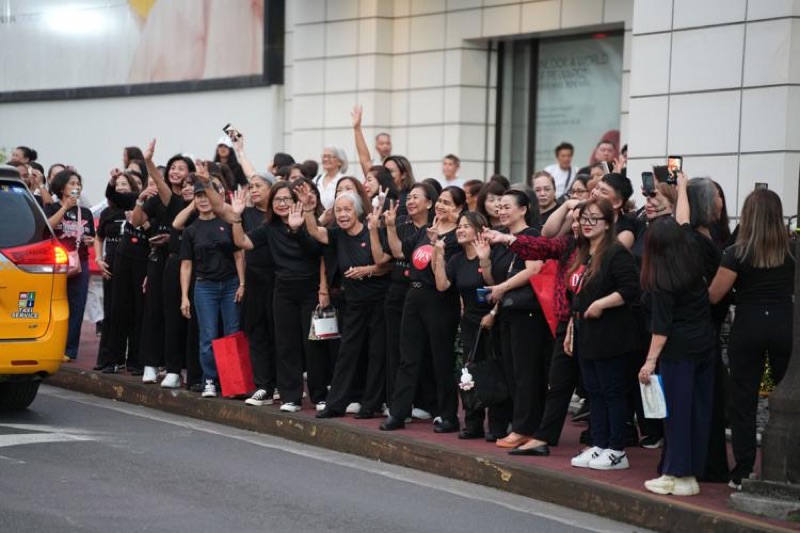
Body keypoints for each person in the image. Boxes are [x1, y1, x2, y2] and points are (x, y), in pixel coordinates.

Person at [709, 189, 795, 490]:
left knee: (743, 400)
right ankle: (789, 467)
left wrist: (739, 293)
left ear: (747, 216)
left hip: (749, 324)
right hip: (785, 323)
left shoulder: (738, 253)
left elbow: (715, 295)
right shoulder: (791, 251)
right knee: (788, 400)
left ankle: (743, 469)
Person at [231, 181, 327, 413]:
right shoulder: (269, 228)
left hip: (309, 290)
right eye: (277, 200)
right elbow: (242, 242)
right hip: (282, 290)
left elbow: (315, 252)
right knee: (286, 344)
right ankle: (291, 397)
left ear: (296, 202)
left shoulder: (309, 224)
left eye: (287, 199)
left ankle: (320, 396)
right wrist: (236, 217)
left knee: (313, 345)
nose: (282, 204)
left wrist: (296, 230)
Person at [639, 216, 716, 496]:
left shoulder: (660, 281)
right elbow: (684, 223)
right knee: (697, 411)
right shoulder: (693, 264)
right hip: (704, 344)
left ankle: (678, 474)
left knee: (675, 414)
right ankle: (685, 473)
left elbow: (661, 329)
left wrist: (649, 362)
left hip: (677, 351)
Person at [380, 187, 467, 432]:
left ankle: (448, 415)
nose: (441, 206)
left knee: (441, 360)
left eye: (448, 203)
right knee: (408, 358)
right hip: (414, 296)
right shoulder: (427, 230)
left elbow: (449, 275)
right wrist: (389, 225)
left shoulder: (457, 238)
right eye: (440, 201)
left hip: (440, 300)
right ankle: (398, 413)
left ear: (459, 209)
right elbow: (400, 252)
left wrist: (437, 246)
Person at [298, 189, 390, 419]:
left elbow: (388, 264)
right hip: (354, 303)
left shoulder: (372, 231)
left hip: (379, 300)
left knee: (377, 354)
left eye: (347, 209)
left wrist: (367, 270)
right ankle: (336, 404)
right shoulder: (338, 235)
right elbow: (314, 232)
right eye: (338, 210)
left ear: (357, 211)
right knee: (347, 353)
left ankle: (371, 405)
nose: (342, 214)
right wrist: (309, 209)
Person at [564, 198, 640, 470]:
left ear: (608, 223)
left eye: (594, 218)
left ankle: (617, 449)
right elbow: (577, 295)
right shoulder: (584, 253)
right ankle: (599, 443)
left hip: (611, 334)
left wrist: (601, 304)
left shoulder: (616, 252)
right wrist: (573, 326)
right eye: (584, 218)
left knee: (612, 392)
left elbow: (631, 289)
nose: (587, 223)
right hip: (586, 332)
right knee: (594, 392)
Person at [483, 191, 551, 449]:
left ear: (523, 209)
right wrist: (484, 259)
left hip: (528, 312)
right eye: (499, 206)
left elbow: (533, 270)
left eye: (507, 206)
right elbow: (494, 281)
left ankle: (525, 427)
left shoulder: (531, 236)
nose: (501, 211)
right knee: (511, 371)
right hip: (507, 311)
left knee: (526, 372)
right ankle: (520, 422)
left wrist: (502, 288)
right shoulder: (501, 239)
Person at [368, 182, 439, 417]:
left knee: (427, 350)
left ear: (429, 203)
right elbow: (384, 256)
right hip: (398, 292)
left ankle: (427, 402)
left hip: (428, 292)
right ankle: (397, 404)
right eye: (408, 198)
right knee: (397, 350)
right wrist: (379, 228)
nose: (410, 201)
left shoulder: (435, 228)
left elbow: (402, 253)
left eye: (416, 197)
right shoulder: (400, 225)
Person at [431, 211, 500, 438]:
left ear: (479, 231)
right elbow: (442, 286)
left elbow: (496, 287)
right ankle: (473, 424)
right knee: (469, 372)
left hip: (493, 319)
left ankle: (498, 425)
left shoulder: (491, 252)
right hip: (469, 322)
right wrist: (438, 254)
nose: (459, 230)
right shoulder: (456, 259)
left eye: (465, 226)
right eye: (458, 226)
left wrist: (485, 260)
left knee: (493, 371)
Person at [45, 170, 96, 362]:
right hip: (56, 263)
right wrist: (64, 208)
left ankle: (70, 349)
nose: (76, 187)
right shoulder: (51, 207)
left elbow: (90, 235)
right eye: (72, 183)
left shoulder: (86, 212)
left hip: (79, 264)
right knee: (55, 304)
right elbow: (47, 228)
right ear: (61, 187)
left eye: (79, 184)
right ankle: (52, 343)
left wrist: (90, 241)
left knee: (77, 305)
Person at [94, 170, 140, 370]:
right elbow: (99, 237)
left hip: (133, 263)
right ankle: (109, 359)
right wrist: (98, 259)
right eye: (118, 184)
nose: (121, 187)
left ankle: (134, 360)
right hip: (111, 265)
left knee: (133, 313)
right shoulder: (107, 213)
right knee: (112, 313)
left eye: (125, 184)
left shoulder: (137, 207)